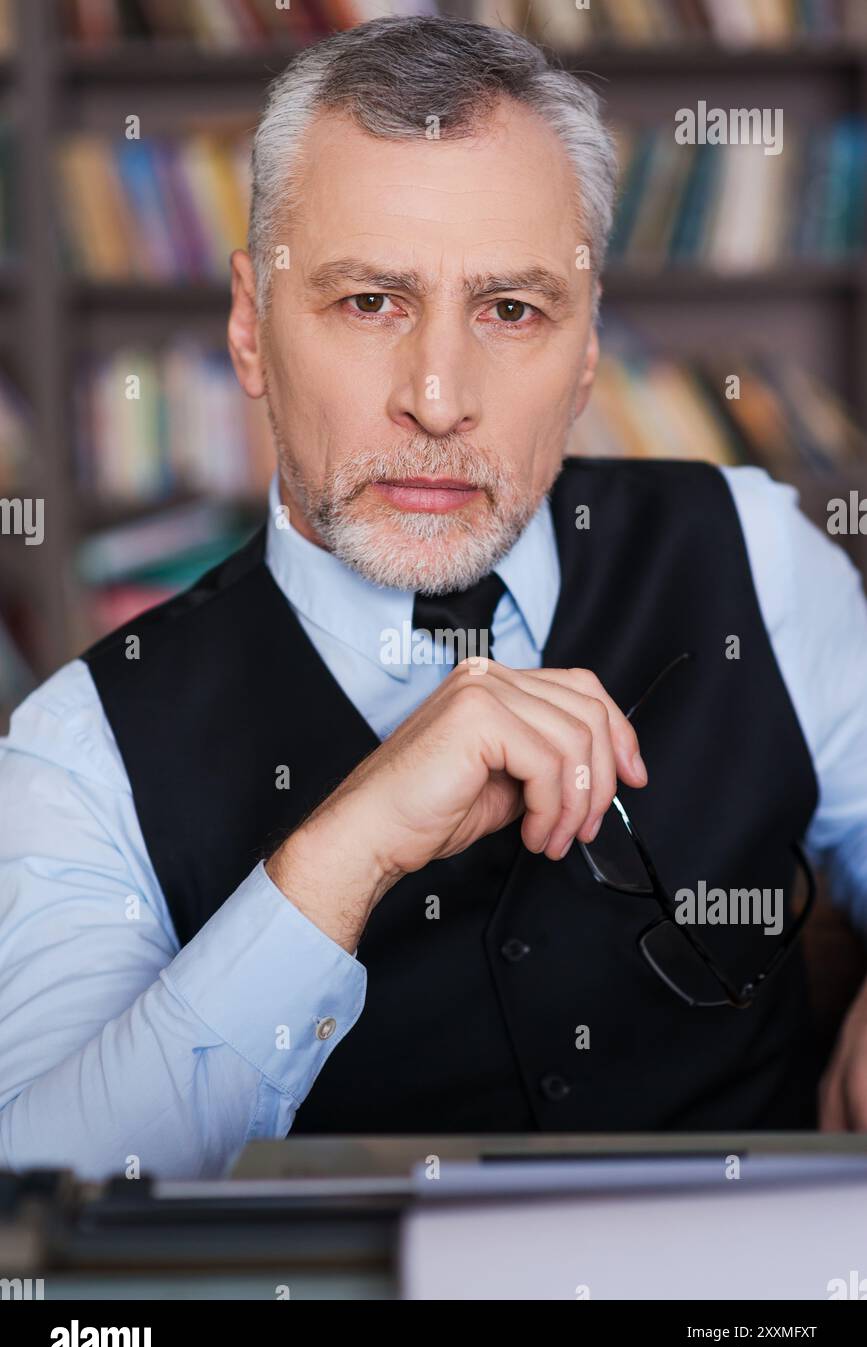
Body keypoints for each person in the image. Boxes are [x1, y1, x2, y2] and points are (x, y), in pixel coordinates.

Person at [2, 16, 867, 1181]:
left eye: (511, 308)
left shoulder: (758, 553)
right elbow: (42, 1196)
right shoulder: (81, 742)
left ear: (589, 348)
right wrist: (345, 852)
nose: (438, 398)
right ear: (251, 328)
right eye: (370, 301)